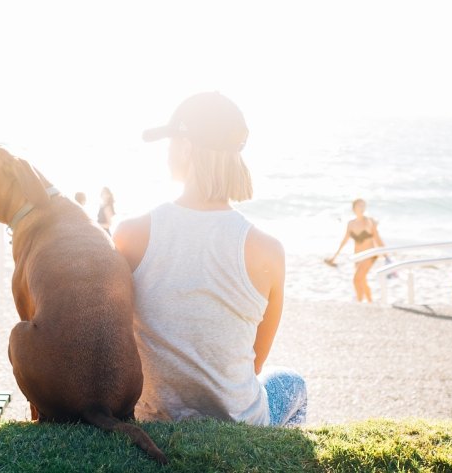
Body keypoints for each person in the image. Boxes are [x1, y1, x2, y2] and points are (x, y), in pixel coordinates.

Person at [113, 92, 306, 427]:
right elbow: (255, 364)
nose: (168, 151)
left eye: (171, 141)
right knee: (293, 383)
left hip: (153, 416)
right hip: (239, 421)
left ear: (186, 146)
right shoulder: (268, 250)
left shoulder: (131, 234)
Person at [325, 199, 385, 303]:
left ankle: (359, 302)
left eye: (363, 206)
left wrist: (386, 254)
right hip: (357, 256)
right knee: (362, 280)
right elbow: (344, 240)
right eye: (359, 206)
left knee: (356, 279)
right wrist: (334, 256)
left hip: (370, 255)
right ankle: (370, 302)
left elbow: (377, 238)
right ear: (354, 208)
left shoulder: (370, 221)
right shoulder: (351, 223)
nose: (362, 208)